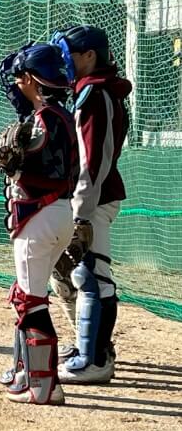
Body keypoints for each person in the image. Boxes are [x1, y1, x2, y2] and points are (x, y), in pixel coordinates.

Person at [0, 43, 77, 405]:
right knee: (24, 295)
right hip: (59, 214)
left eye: (21, 78)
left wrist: (14, 164)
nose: (16, 83)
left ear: (30, 78)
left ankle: (45, 387)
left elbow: (28, 160)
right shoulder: (63, 115)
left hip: (39, 217)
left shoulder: (44, 120)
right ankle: (26, 371)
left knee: (31, 302)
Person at [50, 25, 132, 384]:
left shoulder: (96, 95)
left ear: (89, 56)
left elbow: (94, 161)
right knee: (69, 273)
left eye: (70, 54)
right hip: (84, 198)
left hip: (94, 199)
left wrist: (81, 213)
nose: (64, 62)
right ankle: (90, 345)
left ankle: (95, 359)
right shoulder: (85, 92)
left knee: (93, 276)